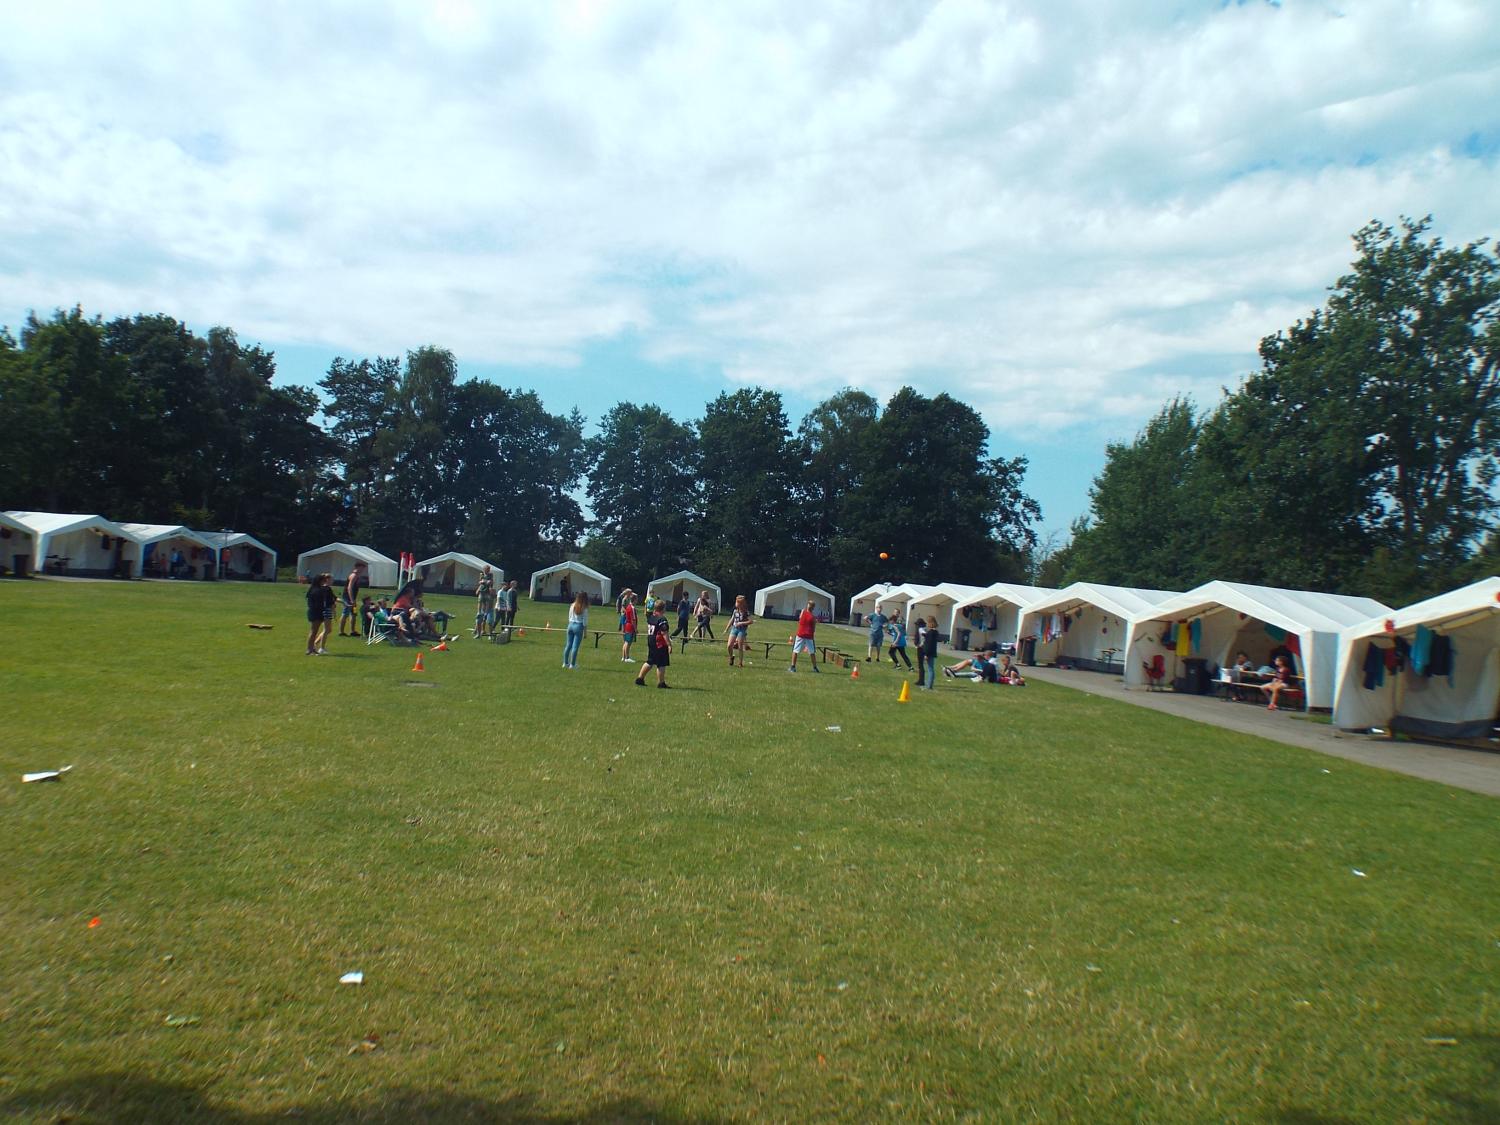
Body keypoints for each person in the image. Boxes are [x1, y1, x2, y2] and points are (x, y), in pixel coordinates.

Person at [634, 600, 672, 688]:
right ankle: (661, 683)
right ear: (663, 609)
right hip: (659, 643)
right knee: (661, 663)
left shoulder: (651, 617)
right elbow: (664, 633)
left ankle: (640, 678)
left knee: (650, 661)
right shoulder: (662, 619)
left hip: (651, 640)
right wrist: (669, 644)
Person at [305, 573, 335, 655]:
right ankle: (309, 649)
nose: (324, 582)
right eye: (323, 580)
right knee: (313, 631)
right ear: (320, 581)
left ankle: (312, 648)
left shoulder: (312, 589)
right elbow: (322, 602)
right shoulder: (319, 590)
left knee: (314, 631)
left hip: (312, 611)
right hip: (317, 612)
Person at [789, 598, 820, 673]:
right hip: (809, 636)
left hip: (800, 634)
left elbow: (800, 620)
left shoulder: (803, 612)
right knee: (812, 652)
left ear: (808, 606)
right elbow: (813, 629)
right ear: (813, 608)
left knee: (795, 650)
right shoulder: (813, 617)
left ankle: (793, 667)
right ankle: (815, 668)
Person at [563, 591, 588, 669]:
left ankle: (565, 663)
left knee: (568, 645)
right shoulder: (584, 608)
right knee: (575, 647)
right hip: (578, 626)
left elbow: (569, 617)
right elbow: (585, 622)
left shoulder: (572, 605)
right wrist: (585, 633)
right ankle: (572, 664)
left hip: (570, 625)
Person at [339, 563, 366, 637]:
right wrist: (351, 600)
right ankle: (341, 631)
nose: (363, 570)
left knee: (354, 614)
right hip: (348, 598)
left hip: (353, 598)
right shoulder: (353, 576)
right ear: (358, 567)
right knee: (345, 613)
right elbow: (349, 588)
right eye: (362, 568)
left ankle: (352, 631)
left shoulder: (357, 576)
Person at [727, 595, 752, 667]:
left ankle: (740, 663)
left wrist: (741, 623)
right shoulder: (735, 611)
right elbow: (732, 620)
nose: (736, 603)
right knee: (729, 645)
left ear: (741, 604)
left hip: (742, 630)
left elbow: (751, 621)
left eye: (737, 602)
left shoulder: (746, 612)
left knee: (740, 646)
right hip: (734, 629)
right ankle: (731, 657)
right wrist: (726, 629)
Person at [475, 565, 497, 638]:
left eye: (488, 569)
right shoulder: (482, 575)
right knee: (478, 619)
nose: (487, 570)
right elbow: (480, 583)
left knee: (489, 621)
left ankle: (490, 634)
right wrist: (481, 583)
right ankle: (478, 634)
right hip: (483, 608)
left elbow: (490, 582)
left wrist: (488, 584)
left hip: (489, 610)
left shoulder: (491, 591)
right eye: (486, 569)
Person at [919, 615, 939, 690]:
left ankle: (929, 685)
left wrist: (926, 654)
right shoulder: (935, 632)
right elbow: (929, 638)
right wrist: (925, 634)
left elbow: (929, 644)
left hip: (929, 653)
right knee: (930, 668)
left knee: (930, 669)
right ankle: (929, 684)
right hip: (932, 652)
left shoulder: (931, 632)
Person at [620, 591, 638, 662]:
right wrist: (635, 628)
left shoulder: (628, 606)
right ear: (634, 600)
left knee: (626, 642)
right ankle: (627, 658)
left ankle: (623, 657)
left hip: (627, 625)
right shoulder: (632, 608)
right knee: (628, 642)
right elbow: (633, 619)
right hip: (630, 626)